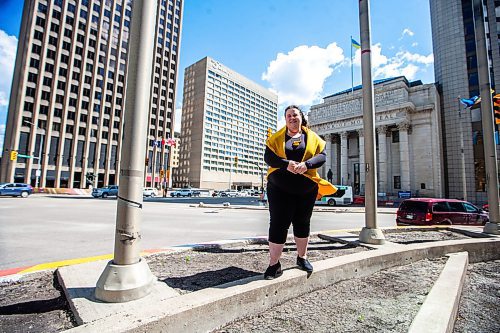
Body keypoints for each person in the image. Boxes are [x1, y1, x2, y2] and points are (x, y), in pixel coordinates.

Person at [263, 105, 336, 279]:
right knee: (278, 224)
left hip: (306, 190)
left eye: (295, 114)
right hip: (279, 189)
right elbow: (268, 157)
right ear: (285, 119)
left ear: (301, 117)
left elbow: (322, 156)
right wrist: (285, 163)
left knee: (303, 223)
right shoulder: (276, 138)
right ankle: (274, 264)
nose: (291, 118)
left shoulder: (312, 137)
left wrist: (307, 165)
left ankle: (302, 258)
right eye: (288, 115)